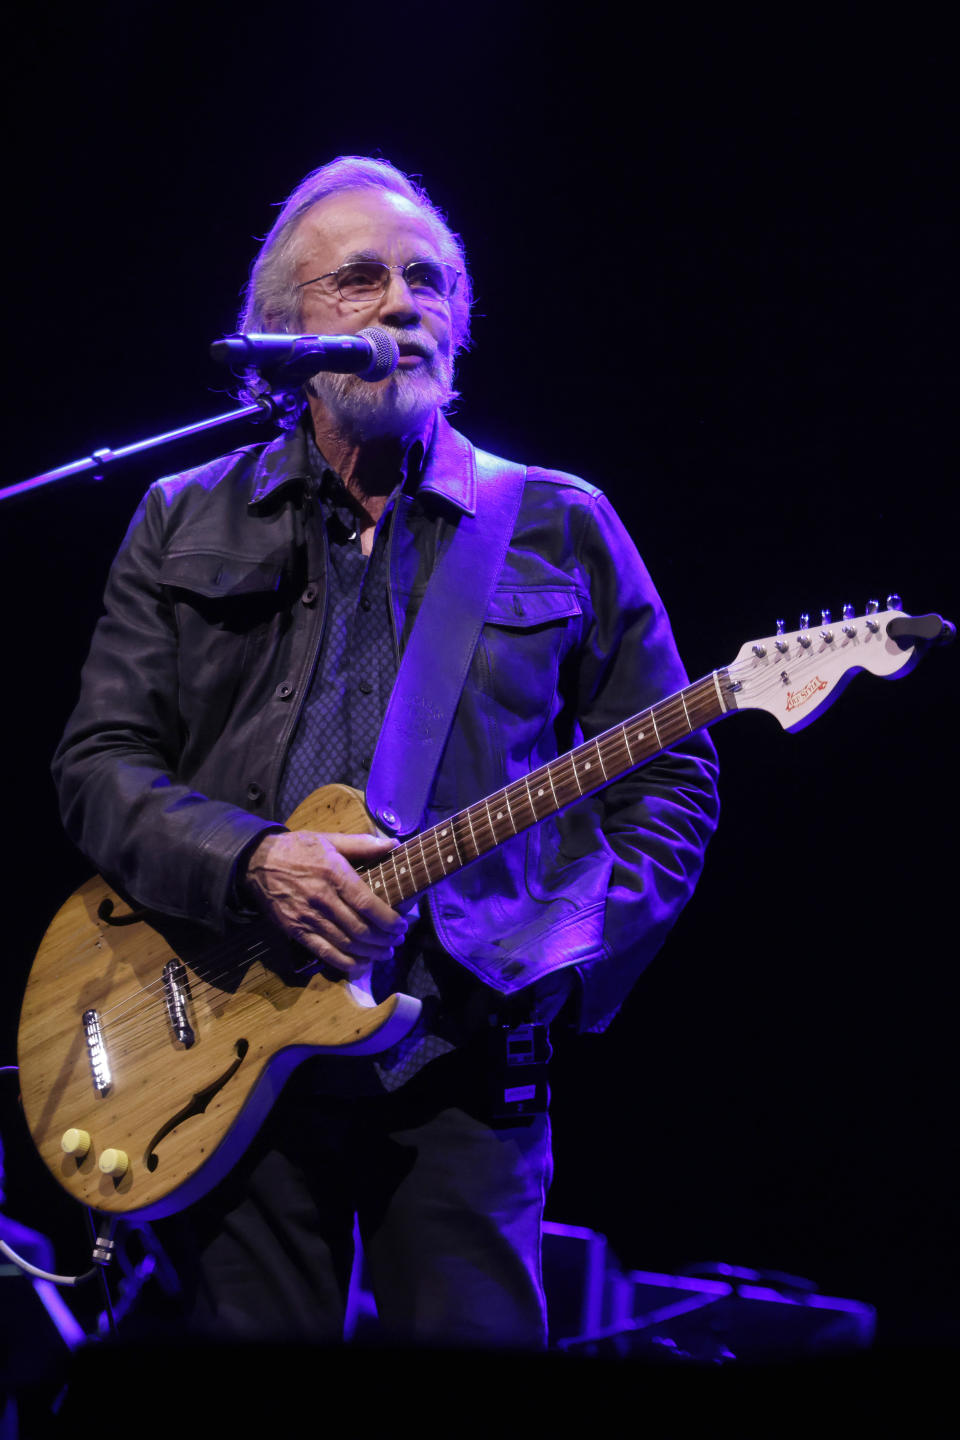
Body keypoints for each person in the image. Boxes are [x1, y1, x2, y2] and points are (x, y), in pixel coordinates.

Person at [51, 156, 720, 1348]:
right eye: (358, 281)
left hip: (466, 1053)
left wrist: (562, 950)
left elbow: (670, 775)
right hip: (229, 1038)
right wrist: (252, 861)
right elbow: (99, 762)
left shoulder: (560, 519)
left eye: (428, 282)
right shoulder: (181, 515)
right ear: (283, 335)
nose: (401, 305)